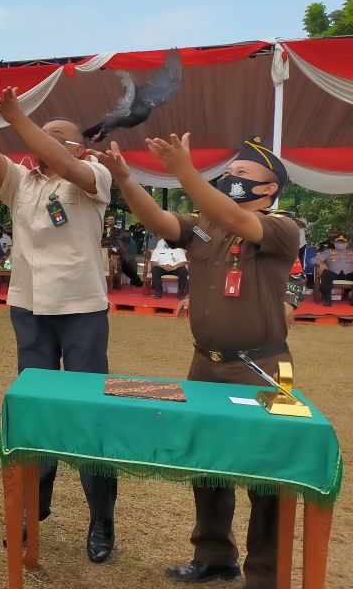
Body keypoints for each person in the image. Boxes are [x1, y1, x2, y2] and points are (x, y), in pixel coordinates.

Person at [94, 134, 294, 588]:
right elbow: (160, 220)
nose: (230, 178)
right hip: (207, 365)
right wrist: (125, 176)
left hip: (261, 369)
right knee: (206, 463)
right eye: (229, 172)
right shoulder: (207, 224)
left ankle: (265, 575)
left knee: (266, 473)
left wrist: (184, 170)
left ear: (269, 189)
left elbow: (234, 215)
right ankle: (214, 555)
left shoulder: (284, 227)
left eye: (243, 174)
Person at [0, 67, 119, 564]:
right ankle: (34, 510)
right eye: (41, 133)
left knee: (89, 416)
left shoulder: (93, 176)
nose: (45, 142)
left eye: (59, 137)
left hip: (81, 312)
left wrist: (20, 116)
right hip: (29, 309)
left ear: (78, 148)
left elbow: (61, 160)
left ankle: (101, 519)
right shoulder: (24, 183)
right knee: (35, 412)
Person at [102, 214, 143, 288]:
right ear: (106, 220)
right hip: (101, 251)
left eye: (112, 219)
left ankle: (136, 279)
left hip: (115, 251)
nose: (111, 221)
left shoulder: (118, 230)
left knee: (123, 263)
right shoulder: (101, 228)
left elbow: (120, 240)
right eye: (109, 219)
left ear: (114, 221)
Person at [312, 233, 353, 307]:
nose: (341, 244)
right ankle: (328, 300)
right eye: (339, 242)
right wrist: (321, 264)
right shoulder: (328, 252)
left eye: (343, 242)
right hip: (333, 273)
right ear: (334, 243)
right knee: (325, 273)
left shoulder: (351, 252)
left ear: (347, 243)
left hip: (349, 273)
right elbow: (313, 260)